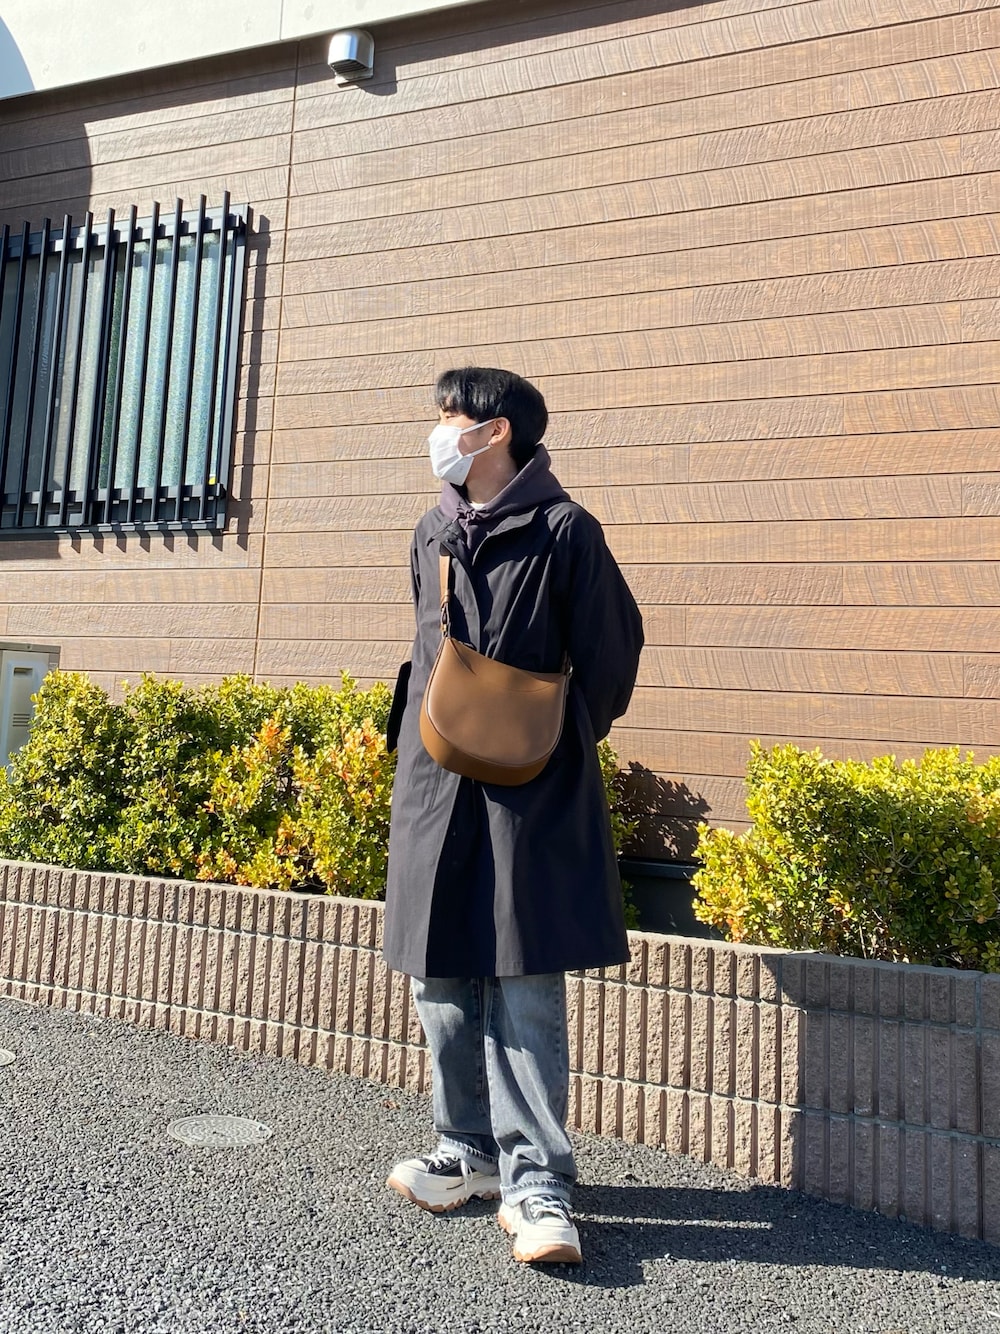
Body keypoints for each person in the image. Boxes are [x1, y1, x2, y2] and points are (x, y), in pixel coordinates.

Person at [383, 366, 643, 1265]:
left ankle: (539, 1183)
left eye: (450, 415)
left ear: (497, 431)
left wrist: (545, 740)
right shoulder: (431, 530)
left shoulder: (566, 530)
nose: (439, 431)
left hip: (531, 786)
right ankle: (467, 1150)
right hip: (434, 781)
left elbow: (610, 658)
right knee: (439, 972)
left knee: (525, 977)